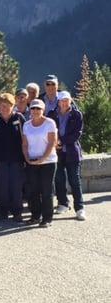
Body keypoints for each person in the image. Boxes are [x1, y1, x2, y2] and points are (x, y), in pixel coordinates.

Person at [0, 93, 26, 222]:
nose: (4, 108)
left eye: (8, 105)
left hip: (17, 159)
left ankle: (17, 212)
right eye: (2, 105)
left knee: (16, 187)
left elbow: (25, 138)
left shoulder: (19, 118)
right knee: (2, 187)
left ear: (12, 105)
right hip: (0, 160)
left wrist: (26, 158)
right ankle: (3, 211)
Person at [49, 91, 85, 220]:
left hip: (72, 152)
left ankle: (80, 208)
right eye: (61, 100)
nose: (64, 103)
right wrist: (54, 142)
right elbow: (49, 130)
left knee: (74, 180)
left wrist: (61, 141)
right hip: (57, 152)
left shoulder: (77, 115)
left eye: (66, 100)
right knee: (59, 179)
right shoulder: (52, 114)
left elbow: (77, 134)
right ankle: (63, 204)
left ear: (70, 101)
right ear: (58, 101)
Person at [22, 99, 58, 228]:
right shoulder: (26, 125)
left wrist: (43, 158)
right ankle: (35, 216)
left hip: (48, 162)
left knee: (47, 191)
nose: (35, 111)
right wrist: (26, 157)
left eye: (38, 108)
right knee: (33, 191)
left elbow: (52, 143)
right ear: (30, 110)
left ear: (43, 110)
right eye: (33, 108)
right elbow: (25, 144)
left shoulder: (50, 123)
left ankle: (47, 218)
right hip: (32, 162)